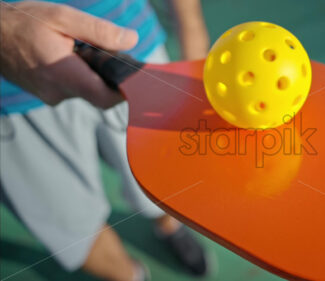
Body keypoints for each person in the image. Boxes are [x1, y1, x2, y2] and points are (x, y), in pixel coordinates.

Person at [0, 1, 211, 280]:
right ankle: (130, 276)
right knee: (72, 224)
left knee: (165, 181)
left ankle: (169, 226)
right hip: (12, 91)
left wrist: (191, 26)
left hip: (133, 45)